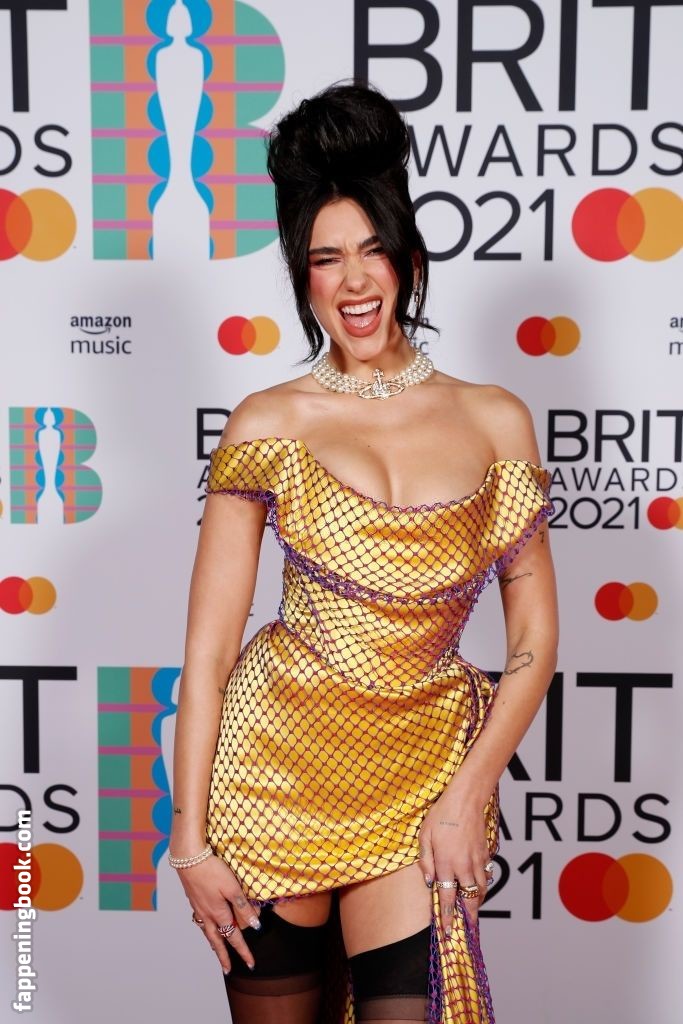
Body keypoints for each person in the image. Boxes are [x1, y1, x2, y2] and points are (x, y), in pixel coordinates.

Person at [169, 82, 558, 1024]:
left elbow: (533, 642)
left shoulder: (494, 419)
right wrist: (189, 843)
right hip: (272, 774)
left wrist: (468, 795)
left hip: (423, 776)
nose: (353, 281)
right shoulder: (268, 421)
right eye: (325, 258)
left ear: (408, 259)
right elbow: (209, 655)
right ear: (301, 277)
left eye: (372, 250)